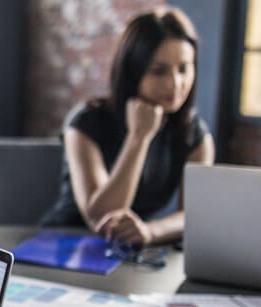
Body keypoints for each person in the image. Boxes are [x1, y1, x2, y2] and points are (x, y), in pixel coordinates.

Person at [39, 7, 214, 245]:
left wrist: (149, 231)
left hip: (128, 249)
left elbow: (194, 215)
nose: (175, 83)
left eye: (184, 68)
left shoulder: (193, 134)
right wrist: (139, 137)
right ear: (132, 71)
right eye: (158, 71)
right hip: (67, 242)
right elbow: (102, 218)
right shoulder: (86, 122)